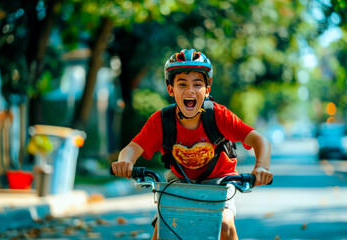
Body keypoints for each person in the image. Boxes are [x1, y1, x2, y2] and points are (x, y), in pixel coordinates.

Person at [112, 49, 273, 240]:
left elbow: (259, 140)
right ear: (171, 89)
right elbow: (132, 148)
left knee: (224, 224)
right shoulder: (162, 121)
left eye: (197, 84)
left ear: (207, 90)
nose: (190, 90)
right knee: (163, 229)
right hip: (180, 182)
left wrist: (261, 168)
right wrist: (125, 161)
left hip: (220, 181)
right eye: (182, 84)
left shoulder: (220, 116)